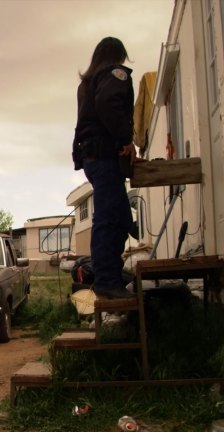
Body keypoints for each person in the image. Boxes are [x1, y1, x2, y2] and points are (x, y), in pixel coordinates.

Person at [72, 36, 137, 300]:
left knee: (120, 219)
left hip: (93, 157)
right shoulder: (114, 75)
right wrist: (125, 140)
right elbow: (108, 104)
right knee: (108, 220)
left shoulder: (88, 82)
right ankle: (107, 281)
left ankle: (111, 275)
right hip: (105, 156)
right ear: (118, 56)